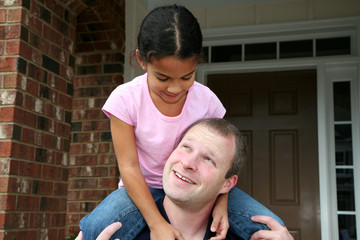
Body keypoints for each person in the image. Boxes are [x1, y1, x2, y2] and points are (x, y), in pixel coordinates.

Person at [80, 5, 227, 240]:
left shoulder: (208, 101)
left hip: (197, 188)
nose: (175, 88)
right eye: (163, 77)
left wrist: (221, 201)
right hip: (142, 187)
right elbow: (128, 166)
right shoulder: (125, 99)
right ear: (141, 60)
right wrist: (156, 223)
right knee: (94, 228)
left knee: (266, 225)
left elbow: (223, 162)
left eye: (187, 77)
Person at [77, 119, 293, 240]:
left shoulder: (246, 237)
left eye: (209, 159)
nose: (188, 162)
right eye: (186, 147)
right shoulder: (117, 231)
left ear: (227, 184)